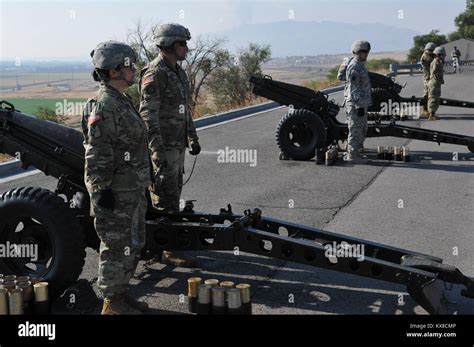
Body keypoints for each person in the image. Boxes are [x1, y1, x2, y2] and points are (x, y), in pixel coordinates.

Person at [82, 41, 151, 314]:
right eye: (127, 66)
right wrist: (101, 190)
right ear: (112, 71)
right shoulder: (102, 105)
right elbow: (97, 152)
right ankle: (111, 303)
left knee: (132, 243)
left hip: (132, 188)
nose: (133, 70)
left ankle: (120, 294)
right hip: (115, 191)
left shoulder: (121, 100)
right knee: (114, 245)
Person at [138, 23, 201, 267]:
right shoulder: (154, 73)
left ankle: (169, 244)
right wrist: (156, 151)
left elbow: (185, 111)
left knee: (173, 196)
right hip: (163, 149)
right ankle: (167, 250)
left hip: (177, 146)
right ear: (173, 45)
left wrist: (192, 137)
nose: (187, 48)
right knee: (164, 198)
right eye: (183, 43)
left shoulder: (178, 71)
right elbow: (148, 117)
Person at [343, 40, 372, 164]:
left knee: (362, 128)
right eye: (364, 52)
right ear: (357, 52)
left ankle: (357, 150)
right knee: (355, 129)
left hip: (361, 103)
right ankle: (352, 155)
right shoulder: (354, 66)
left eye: (367, 52)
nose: (366, 54)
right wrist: (359, 105)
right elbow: (354, 88)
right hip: (356, 104)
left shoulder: (360, 65)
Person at [427, 46, 446, 121]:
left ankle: (433, 114)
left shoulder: (438, 61)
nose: (443, 56)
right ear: (438, 54)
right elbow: (434, 71)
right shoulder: (436, 62)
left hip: (436, 82)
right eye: (442, 55)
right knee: (433, 98)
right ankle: (431, 115)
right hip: (434, 82)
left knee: (436, 98)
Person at [420, 42, 436, 117]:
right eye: (431, 50)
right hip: (427, 77)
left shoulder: (429, 55)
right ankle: (424, 109)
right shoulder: (425, 56)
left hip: (430, 76)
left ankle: (427, 109)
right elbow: (432, 62)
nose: (431, 52)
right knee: (426, 93)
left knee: (430, 93)